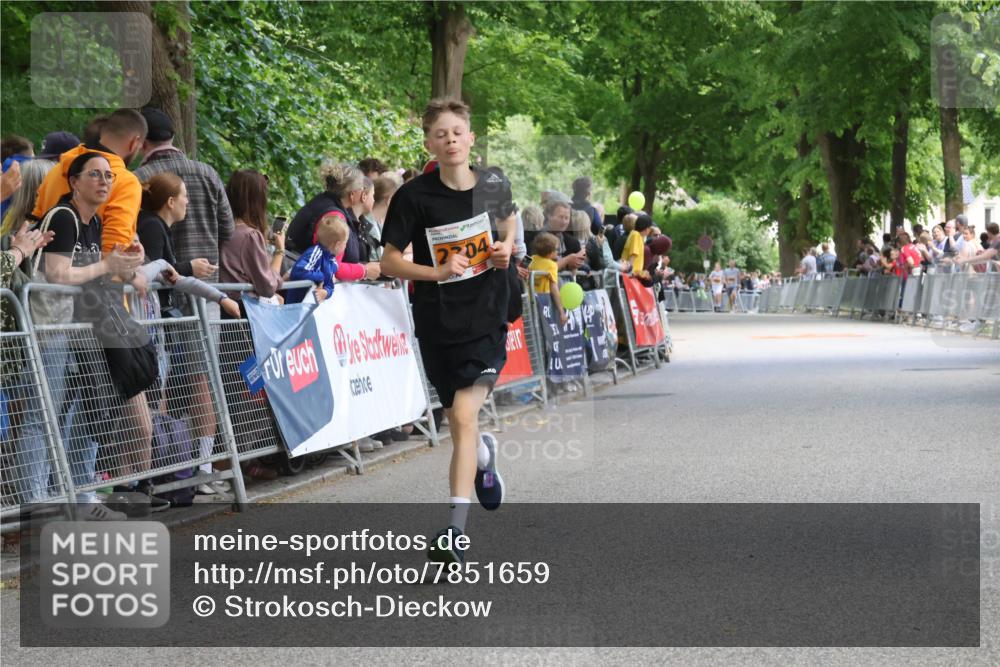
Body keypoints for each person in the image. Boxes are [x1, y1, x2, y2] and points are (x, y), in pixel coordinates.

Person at [380, 97, 518, 564]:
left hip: (486, 315)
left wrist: (505, 249)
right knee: (461, 422)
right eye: (441, 134)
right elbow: (389, 260)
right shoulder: (414, 196)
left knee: (462, 416)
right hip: (439, 321)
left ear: (471, 138)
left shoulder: (494, 182)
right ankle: (483, 457)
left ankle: (455, 533)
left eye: (458, 131)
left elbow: (509, 222)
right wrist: (436, 272)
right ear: (429, 143)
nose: (451, 140)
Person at [29, 152, 152, 519]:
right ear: (74, 182)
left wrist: (130, 268)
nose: (103, 181)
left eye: (108, 177)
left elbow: (95, 273)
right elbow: (58, 274)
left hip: (80, 330)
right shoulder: (65, 217)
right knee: (43, 414)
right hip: (49, 328)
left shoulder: (94, 222)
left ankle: (79, 497)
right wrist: (108, 265)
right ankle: (38, 502)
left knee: (79, 413)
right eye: (94, 175)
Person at [133, 107, 235, 288]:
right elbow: (228, 229)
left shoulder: (137, 180)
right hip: (206, 286)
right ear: (172, 136)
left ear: (141, 141)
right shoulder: (209, 173)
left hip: (161, 290)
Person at [32, 109, 147, 253]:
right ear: (134, 142)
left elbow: (35, 222)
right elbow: (114, 250)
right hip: (92, 272)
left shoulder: (57, 170)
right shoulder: (126, 182)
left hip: (44, 267)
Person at [287, 162, 381, 283]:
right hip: (309, 290)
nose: (364, 192)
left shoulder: (321, 202)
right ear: (352, 194)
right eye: (362, 188)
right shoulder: (334, 216)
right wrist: (364, 270)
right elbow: (331, 266)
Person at [220, 170, 284, 308]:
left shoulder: (221, 229)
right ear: (257, 200)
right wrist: (280, 251)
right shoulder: (249, 236)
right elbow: (268, 286)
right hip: (246, 312)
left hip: (225, 307)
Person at [286, 215, 349, 304]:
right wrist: (321, 276)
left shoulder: (332, 262)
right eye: (345, 242)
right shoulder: (315, 252)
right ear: (337, 244)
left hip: (308, 306)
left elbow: (330, 285)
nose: (346, 246)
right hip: (295, 304)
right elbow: (299, 271)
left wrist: (326, 292)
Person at [528, 232, 567, 325]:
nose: (558, 252)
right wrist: (561, 310)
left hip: (530, 301)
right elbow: (554, 289)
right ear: (550, 253)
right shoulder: (552, 265)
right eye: (556, 249)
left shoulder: (531, 259)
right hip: (543, 303)